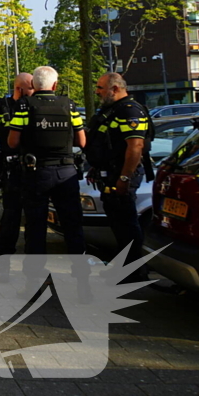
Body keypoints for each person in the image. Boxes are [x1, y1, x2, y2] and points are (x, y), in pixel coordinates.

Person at [7, 66, 86, 257]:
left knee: (35, 227)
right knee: (73, 225)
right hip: (66, 171)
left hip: (37, 172)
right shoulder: (69, 105)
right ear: (55, 84)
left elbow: (12, 142)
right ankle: (81, 275)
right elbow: (82, 141)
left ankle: (35, 278)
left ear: (33, 83)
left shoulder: (25, 105)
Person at [85, 72, 151, 281]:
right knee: (118, 223)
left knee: (127, 223)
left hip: (122, 175)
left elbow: (136, 146)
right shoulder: (111, 110)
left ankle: (135, 271)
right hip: (109, 174)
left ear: (114, 88)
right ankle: (123, 267)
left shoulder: (130, 111)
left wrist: (124, 178)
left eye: (100, 88)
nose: (97, 91)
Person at [0, 72, 35, 255]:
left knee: (33, 215)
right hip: (11, 168)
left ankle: (32, 254)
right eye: (31, 87)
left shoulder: (34, 105)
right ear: (20, 89)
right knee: (11, 214)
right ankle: (4, 253)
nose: (34, 91)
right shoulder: (1, 108)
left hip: (33, 168)